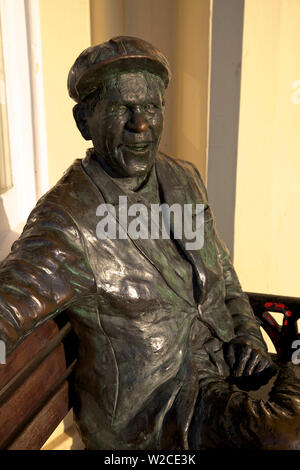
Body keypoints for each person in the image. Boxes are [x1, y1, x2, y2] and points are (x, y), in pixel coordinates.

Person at [0, 36, 299, 450]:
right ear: (84, 120)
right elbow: (9, 305)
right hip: (160, 410)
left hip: (229, 368)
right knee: (286, 438)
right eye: (122, 108)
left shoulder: (183, 178)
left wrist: (247, 336)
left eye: (152, 107)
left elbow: (224, 277)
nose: (140, 124)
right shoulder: (67, 220)